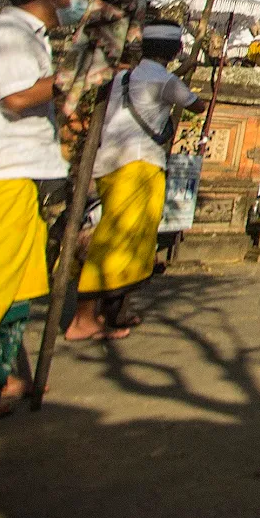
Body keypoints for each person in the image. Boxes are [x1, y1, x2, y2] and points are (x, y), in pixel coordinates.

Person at [0, 0, 86, 414]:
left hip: (20, 172)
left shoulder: (31, 37)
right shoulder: (6, 33)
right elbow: (18, 96)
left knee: (15, 285)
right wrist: (79, 74)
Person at [65, 22, 205, 342]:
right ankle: (84, 318)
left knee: (118, 237)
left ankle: (110, 312)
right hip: (140, 165)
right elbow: (195, 104)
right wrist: (181, 76)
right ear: (174, 51)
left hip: (107, 165)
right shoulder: (163, 79)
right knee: (118, 242)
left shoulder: (119, 78)